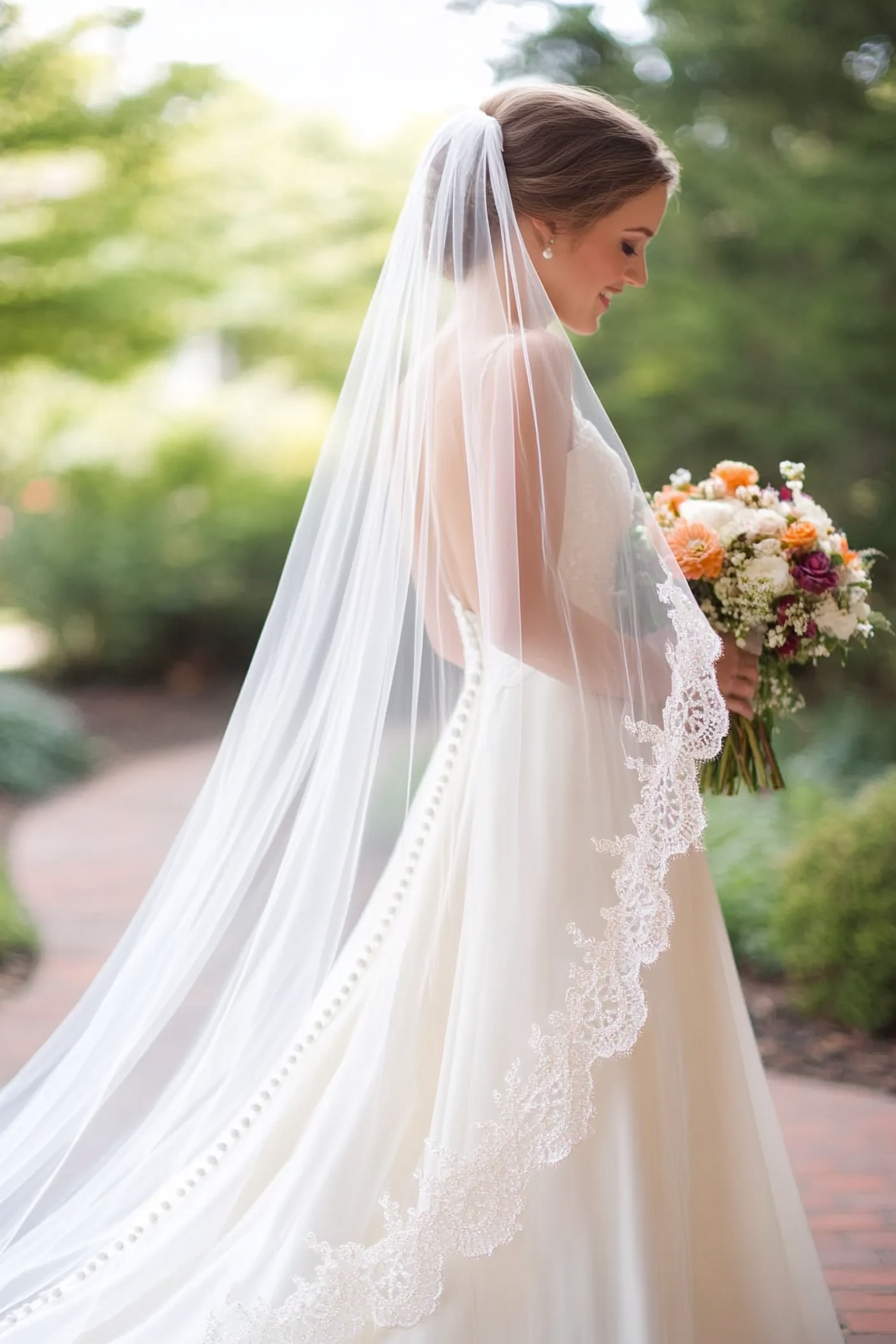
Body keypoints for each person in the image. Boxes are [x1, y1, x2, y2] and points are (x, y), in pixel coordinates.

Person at [0, 87, 842, 1343]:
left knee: (507, 1021)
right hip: (557, 753)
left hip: (506, 750)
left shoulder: (427, 376)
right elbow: (510, 620)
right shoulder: (525, 363)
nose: (638, 277)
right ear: (541, 225)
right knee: (569, 1028)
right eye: (627, 242)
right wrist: (675, 670)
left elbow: (457, 630)